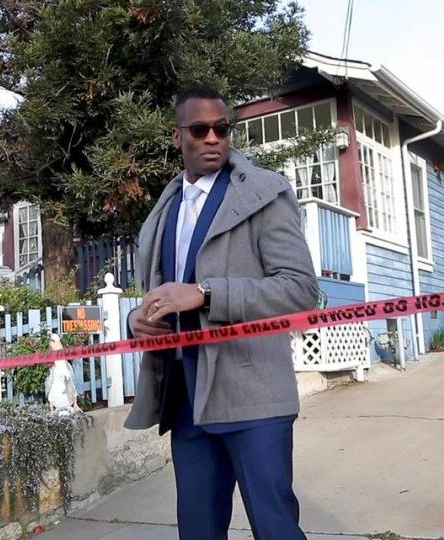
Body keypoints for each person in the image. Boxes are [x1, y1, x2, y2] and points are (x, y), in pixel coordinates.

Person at [124, 85, 319, 540]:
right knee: (198, 532)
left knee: (276, 530)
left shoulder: (265, 195)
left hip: (254, 397)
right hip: (186, 400)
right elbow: (162, 293)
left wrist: (207, 293)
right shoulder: (165, 209)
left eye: (222, 128)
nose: (212, 138)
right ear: (178, 138)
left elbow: (300, 289)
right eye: (199, 129)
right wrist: (140, 321)